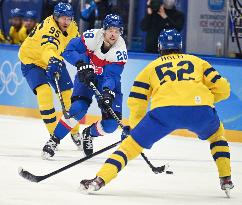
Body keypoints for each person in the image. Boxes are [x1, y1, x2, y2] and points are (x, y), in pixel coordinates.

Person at [79, 29, 234, 197]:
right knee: (218, 137)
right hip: (201, 110)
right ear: (180, 46)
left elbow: (137, 101)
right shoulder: (197, 62)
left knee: (129, 147)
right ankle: (226, 178)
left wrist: (134, 128)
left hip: (164, 113)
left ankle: (99, 180)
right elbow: (224, 89)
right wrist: (205, 100)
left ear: (159, 47)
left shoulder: (150, 68)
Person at [41, 14, 127, 159]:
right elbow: (68, 50)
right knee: (77, 109)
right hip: (86, 75)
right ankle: (53, 140)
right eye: (111, 30)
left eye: (117, 31)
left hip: (107, 83)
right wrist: (81, 64)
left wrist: (107, 92)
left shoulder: (120, 51)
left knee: (111, 125)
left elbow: (111, 76)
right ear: (104, 29)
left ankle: (89, 133)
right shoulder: (92, 37)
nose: (114, 34)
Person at [18, 2, 80, 158]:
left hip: (53, 60)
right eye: (63, 18)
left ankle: (75, 132)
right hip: (32, 61)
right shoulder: (49, 27)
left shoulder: (71, 26)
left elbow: (78, 44)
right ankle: (54, 136)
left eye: (69, 18)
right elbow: (48, 48)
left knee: (68, 95)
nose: (67, 22)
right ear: (56, 17)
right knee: (44, 92)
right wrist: (52, 59)